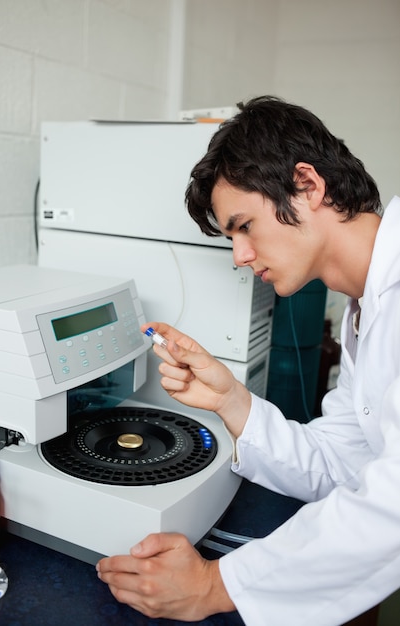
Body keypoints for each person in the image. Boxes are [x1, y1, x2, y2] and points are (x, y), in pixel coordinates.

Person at [96, 96, 400, 626]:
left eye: (244, 226)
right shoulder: (365, 309)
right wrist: (229, 400)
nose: (239, 256)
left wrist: (215, 584)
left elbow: (392, 506)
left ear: (308, 185)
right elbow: (343, 465)